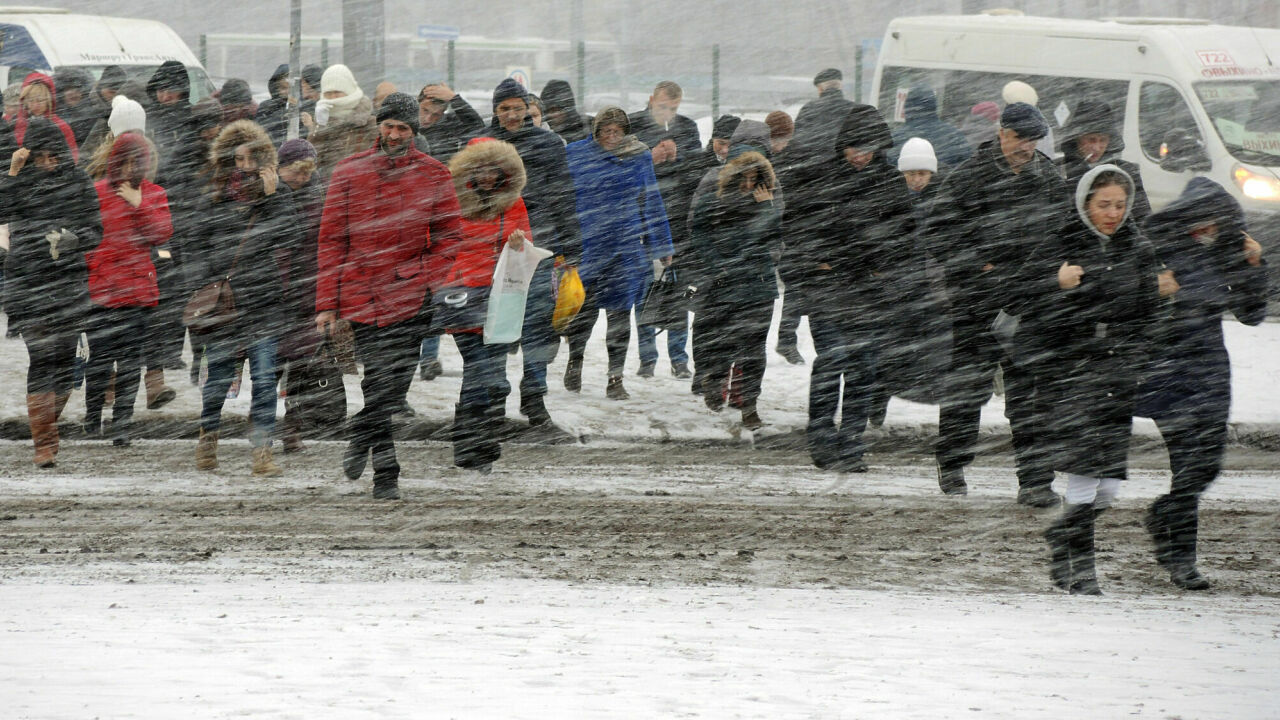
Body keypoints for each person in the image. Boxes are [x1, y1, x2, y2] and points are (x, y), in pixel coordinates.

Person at [1023, 165, 1163, 595]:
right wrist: (1055, 283)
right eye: (1104, 205)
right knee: (1085, 474)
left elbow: (1149, 310)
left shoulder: (1136, 246)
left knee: (1109, 486)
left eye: (1120, 205)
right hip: (1071, 370)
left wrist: (1138, 354)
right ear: (1086, 204)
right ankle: (1082, 569)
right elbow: (1017, 295)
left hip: (1117, 371)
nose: (1113, 213)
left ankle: (1063, 538)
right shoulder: (1060, 242)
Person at [315, 92, 462, 500]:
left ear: (414, 130)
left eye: (403, 128)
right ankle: (387, 471)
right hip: (362, 295)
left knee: (394, 390)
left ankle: (362, 434)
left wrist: (424, 274)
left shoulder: (434, 174)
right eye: (389, 126)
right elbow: (330, 241)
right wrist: (327, 303)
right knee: (377, 384)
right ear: (378, 126)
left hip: (411, 298)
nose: (394, 134)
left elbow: (450, 235)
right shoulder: (349, 172)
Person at [927, 102, 1069, 503]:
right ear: (1002, 133)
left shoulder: (1048, 180)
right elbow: (939, 234)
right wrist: (979, 266)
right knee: (967, 390)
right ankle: (952, 463)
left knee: (1031, 395)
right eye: (1020, 137)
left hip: (1030, 303)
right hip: (978, 303)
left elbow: (1064, 235)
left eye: (1034, 139)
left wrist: (1047, 275)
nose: (1027, 146)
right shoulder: (968, 177)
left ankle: (1035, 481)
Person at [1137, 177, 1269, 590]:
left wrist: (1254, 267)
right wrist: (1156, 292)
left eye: (1222, 221)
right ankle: (1182, 560)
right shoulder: (1159, 248)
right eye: (1209, 219)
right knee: (1186, 465)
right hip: (1167, 370)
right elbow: (1128, 304)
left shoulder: (1227, 251)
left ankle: (1165, 515)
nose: (1214, 228)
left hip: (1211, 371)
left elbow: (1251, 314)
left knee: (1206, 465)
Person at [785, 104, 915, 473]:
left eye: (868, 148)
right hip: (830, 290)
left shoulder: (890, 183)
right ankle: (822, 439)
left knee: (864, 370)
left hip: (871, 292)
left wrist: (881, 272)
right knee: (832, 363)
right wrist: (821, 265)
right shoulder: (820, 179)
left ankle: (852, 444)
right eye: (855, 147)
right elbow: (799, 232)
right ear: (843, 145)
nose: (861, 156)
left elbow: (904, 239)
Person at [187, 120, 301, 477]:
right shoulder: (214, 195)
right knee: (218, 377)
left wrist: (275, 195)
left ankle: (262, 452)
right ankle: (208, 439)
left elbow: (291, 237)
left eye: (252, 158)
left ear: (264, 159)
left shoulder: (274, 195)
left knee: (265, 380)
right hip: (224, 306)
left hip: (262, 302)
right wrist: (210, 283)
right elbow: (195, 246)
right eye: (238, 158)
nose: (245, 166)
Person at [0, 117, 102, 467]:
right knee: (41, 359)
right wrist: (13, 173)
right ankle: (43, 443)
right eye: (39, 156)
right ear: (28, 155)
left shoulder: (77, 180)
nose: (46, 163)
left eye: (51, 155)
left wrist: (74, 240)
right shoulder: (18, 181)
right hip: (27, 283)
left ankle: (49, 426)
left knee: (63, 362)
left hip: (68, 284)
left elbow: (95, 230)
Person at [482, 78, 582, 427]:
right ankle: (495, 397)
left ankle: (535, 396)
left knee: (539, 324)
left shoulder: (549, 144)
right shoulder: (484, 145)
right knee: (498, 322)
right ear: (495, 111)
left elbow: (563, 194)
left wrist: (571, 244)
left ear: (528, 109)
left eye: (518, 108)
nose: (512, 114)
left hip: (537, 246)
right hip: (495, 247)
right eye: (504, 108)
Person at [564, 107, 674, 400]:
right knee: (581, 313)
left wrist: (662, 246)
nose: (612, 137)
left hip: (624, 248)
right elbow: (561, 197)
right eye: (606, 131)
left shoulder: (638, 156)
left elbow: (651, 199)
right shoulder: (575, 154)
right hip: (586, 245)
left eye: (617, 131)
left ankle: (615, 378)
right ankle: (575, 361)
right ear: (596, 131)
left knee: (620, 316)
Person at [440, 138, 531, 471]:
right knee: (483, 372)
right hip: (463, 297)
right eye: (481, 169)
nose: (488, 176)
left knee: (487, 376)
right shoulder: (450, 200)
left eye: (495, 169)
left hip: (501, 298)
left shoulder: (514, 203)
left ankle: (472, 444)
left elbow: (527, 248)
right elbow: (439, 243)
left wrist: (519, 245)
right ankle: (479, 443)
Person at [82, 132, 173, 446]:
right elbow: (85, 237)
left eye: (137, 162)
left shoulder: (154, 194)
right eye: (125, 161)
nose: (131, 168)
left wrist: (139, 205)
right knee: (100, 360)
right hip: (103, 291)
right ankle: (93, 417)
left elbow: (161, 233)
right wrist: (94, 264)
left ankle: (122, 424)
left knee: (131, 361)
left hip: (136, 292)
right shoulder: (95, 193)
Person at [689, 148, 782, 429]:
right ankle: (714, 382)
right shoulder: (714, 199)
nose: (749, 183)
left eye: (756, 177)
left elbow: (771, 238)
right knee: (720, 342)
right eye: (745, 176)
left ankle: (750, 406)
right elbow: (699, 233)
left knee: (754, 349)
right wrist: (718, 265)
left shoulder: (766, 202)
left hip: (758, 285)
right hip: (724, 283)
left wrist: (767, 208)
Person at [866, 137, 951, 427]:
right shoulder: (890, 199)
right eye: (910, 174)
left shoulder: (943, 199)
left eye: (923, 173)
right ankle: (878, 403)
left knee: (931, 353)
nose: (916, 180)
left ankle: (935, 404)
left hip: (931, 288)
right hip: (899, 288)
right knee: (890, 352)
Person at [629, 81, 702, 380]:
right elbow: (623, 165)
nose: (668, 112)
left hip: (676, 218)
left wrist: (680, 157)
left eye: (673, 108)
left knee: (677, 292)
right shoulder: (633, 123)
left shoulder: (687, 127)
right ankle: (647, 358)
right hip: (641, 217)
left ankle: (679, 358)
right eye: (662, 107)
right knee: (645, 292)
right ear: (650, 101)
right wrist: (651, 155)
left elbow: (697, 168)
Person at [145, 61, 205, 408]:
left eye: (174, 89)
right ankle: (167, 352)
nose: (168, 95)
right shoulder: (149, 122)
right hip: (161, 217)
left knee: (190, 289)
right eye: (162, 89)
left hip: (189, 218)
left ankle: (190, 354)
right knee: (165, 289)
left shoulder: (193, 124)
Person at [273, 138, 327, 453]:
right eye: (295, 170)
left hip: (307, 292)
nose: (302, 176)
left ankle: (293, 428)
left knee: (302, 366)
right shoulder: (270, 197)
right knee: (270, 364)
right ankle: (265, 425)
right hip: (273, 291)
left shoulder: (319, 199)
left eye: (307, 170)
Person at [1057, 99, 1151, 225]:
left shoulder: (1126, 172)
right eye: (1091, 140)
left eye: (1103, 140)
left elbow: (1142, 218)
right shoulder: (1059, 171)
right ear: (1077, 139)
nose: (1097, 147)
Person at [306, 64, 376, 179]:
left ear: (349, 90)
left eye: (337, 92)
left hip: (361, 187)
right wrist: (319, 126)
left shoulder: (369, 122)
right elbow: (311, 160)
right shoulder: (323, 119)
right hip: (330, 189)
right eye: (328, 93)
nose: (333, 97)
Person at [889, 86, 972, 170]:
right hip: (947, 182)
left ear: (906, 107)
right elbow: (966, 165)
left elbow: (889, 168)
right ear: (934, 106)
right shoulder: (953, 135)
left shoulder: (896, 137)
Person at [13, 73, 79, 162]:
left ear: (49, 101)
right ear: (25, 102)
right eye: (31, 100)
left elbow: (72, 159)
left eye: (40, 100)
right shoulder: (15, 125)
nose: (36, 105)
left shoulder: (61, 126)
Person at [415, 83, 483, 164]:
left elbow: (477, 126)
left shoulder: (450, 124)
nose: (428, 119)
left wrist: (454, 98)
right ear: (417, 103)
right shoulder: (404, 121)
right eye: (425, 110)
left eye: (436, 114)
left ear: (443, 112)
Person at [540, 79, 592, 144]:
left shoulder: (587, 126)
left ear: (568, 109)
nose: (552, 115)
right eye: (548, 111)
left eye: (557, 110)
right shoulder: (541, 130)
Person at [255, 64, 295, 145]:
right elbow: (260, 131)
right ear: (276, 88)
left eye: (290, 88)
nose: (287, 92)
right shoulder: (266, 107)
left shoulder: (302, 107)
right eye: (283, 88)